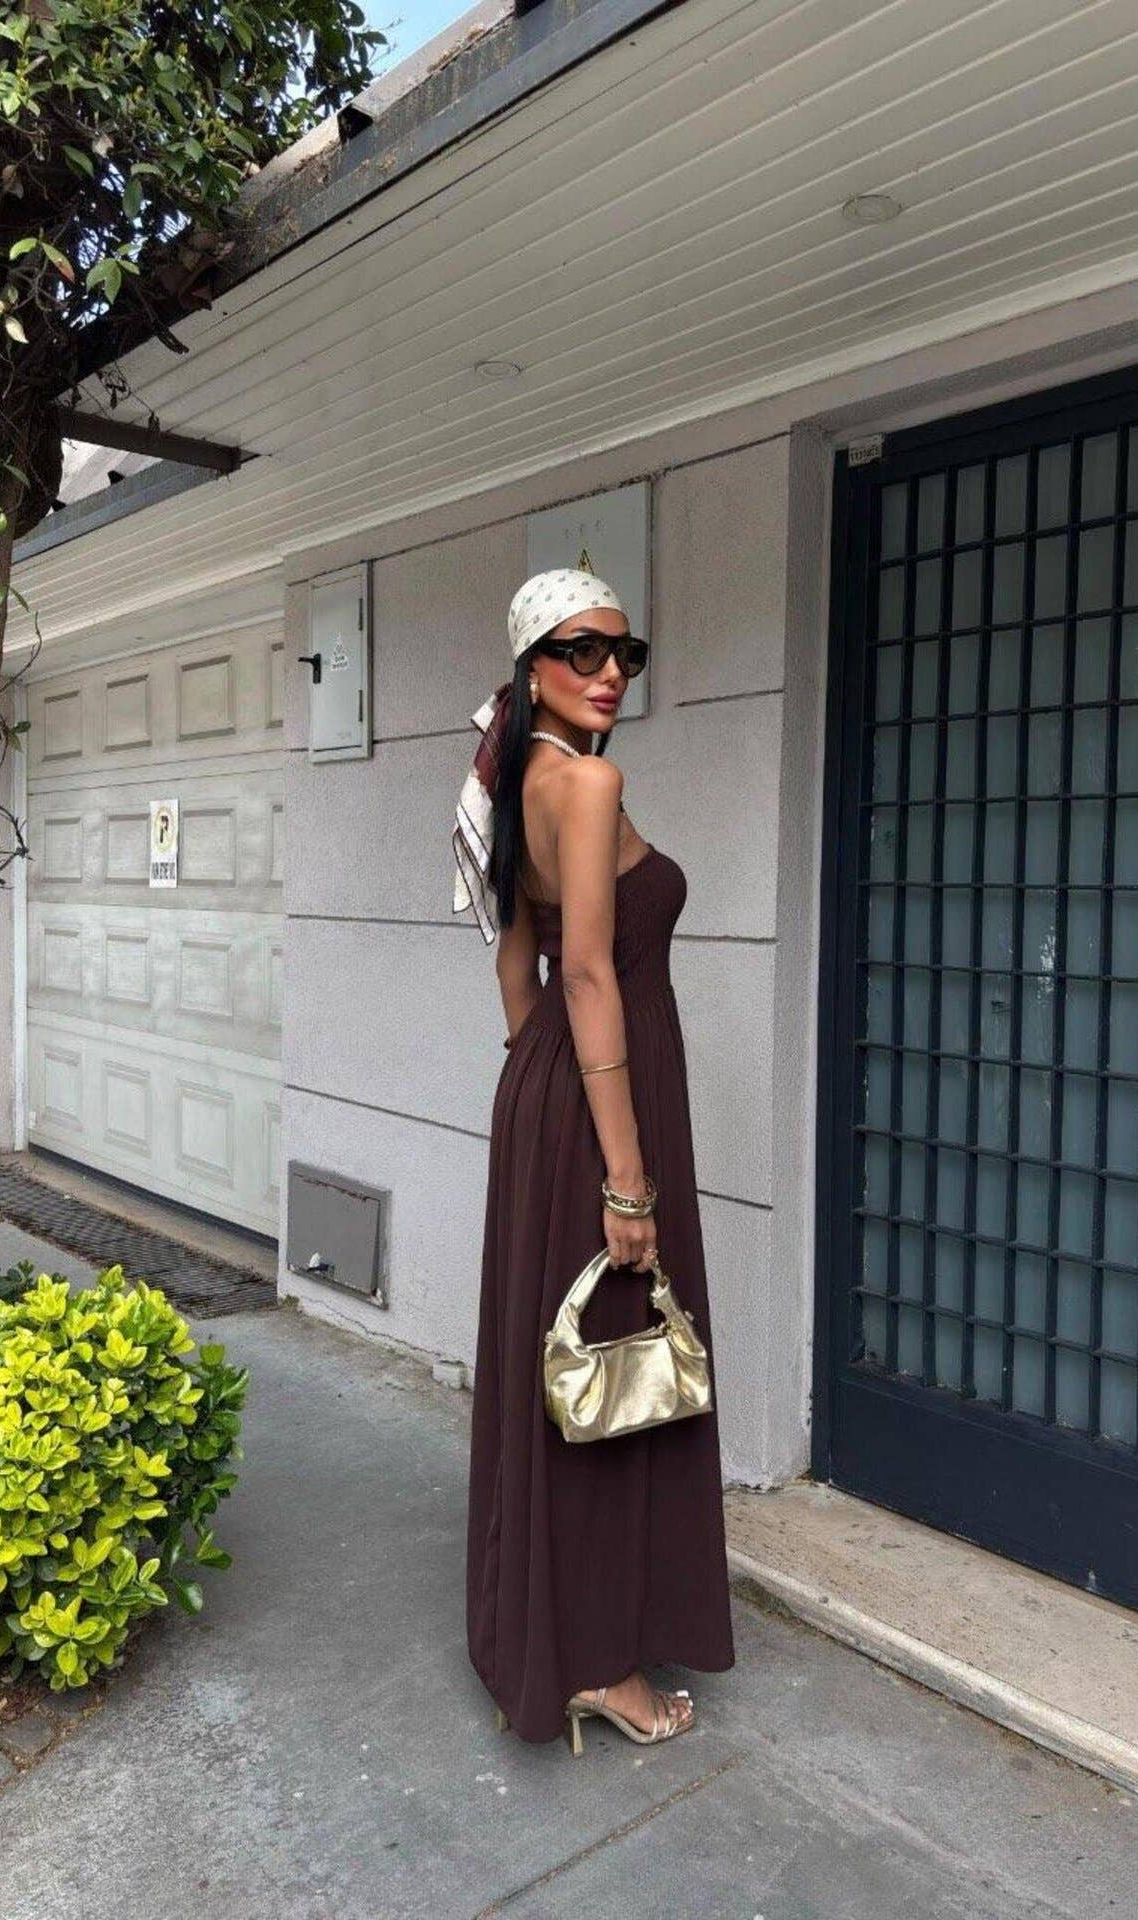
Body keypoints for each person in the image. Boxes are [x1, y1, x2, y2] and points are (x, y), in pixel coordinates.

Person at [453, 567, 736, 1754]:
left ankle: (552, 1632)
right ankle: (602, 1665)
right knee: (616, 1373)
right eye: (582, 651)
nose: (610, 671)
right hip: (603, 1104)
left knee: (575, 1367)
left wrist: (544, 1102)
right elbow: (581, 972)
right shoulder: (585, 780)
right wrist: (621, 1175)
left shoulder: (519, 778)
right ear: (532, 667)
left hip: (553, 1093)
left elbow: (514, 964)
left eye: (626, 653)